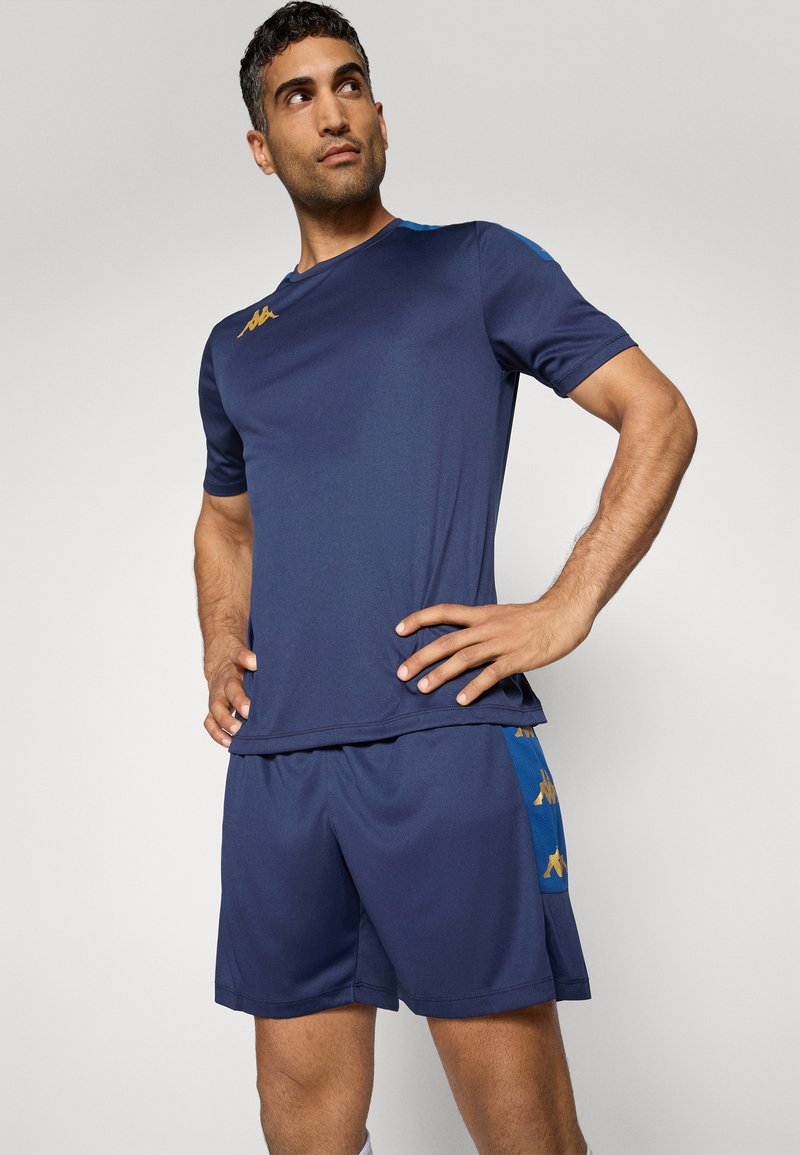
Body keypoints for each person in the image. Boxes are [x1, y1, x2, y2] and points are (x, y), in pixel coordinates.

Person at [193, 4, 698, 1153]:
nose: (332, 110)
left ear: (378, 113)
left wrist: (566, 603)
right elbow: (225, 518)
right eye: (298, 95)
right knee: (301, 1128)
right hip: (279, 766)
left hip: (441, 742)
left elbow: (656, 415)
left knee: (522, 1130)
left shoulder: (472, 264)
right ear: (262, 146)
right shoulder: (236, 344)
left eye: (349, 83)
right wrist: (222, 638)